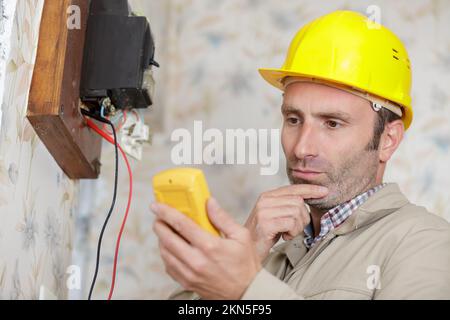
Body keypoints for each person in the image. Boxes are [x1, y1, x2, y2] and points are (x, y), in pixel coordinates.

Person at [150, 10, 450, 299]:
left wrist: (246, 289)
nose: (301, 148)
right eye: (293, 119)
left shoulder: (426, 243)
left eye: (332, 123)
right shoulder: (273, 253)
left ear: (388, 139)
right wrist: (248, 249)